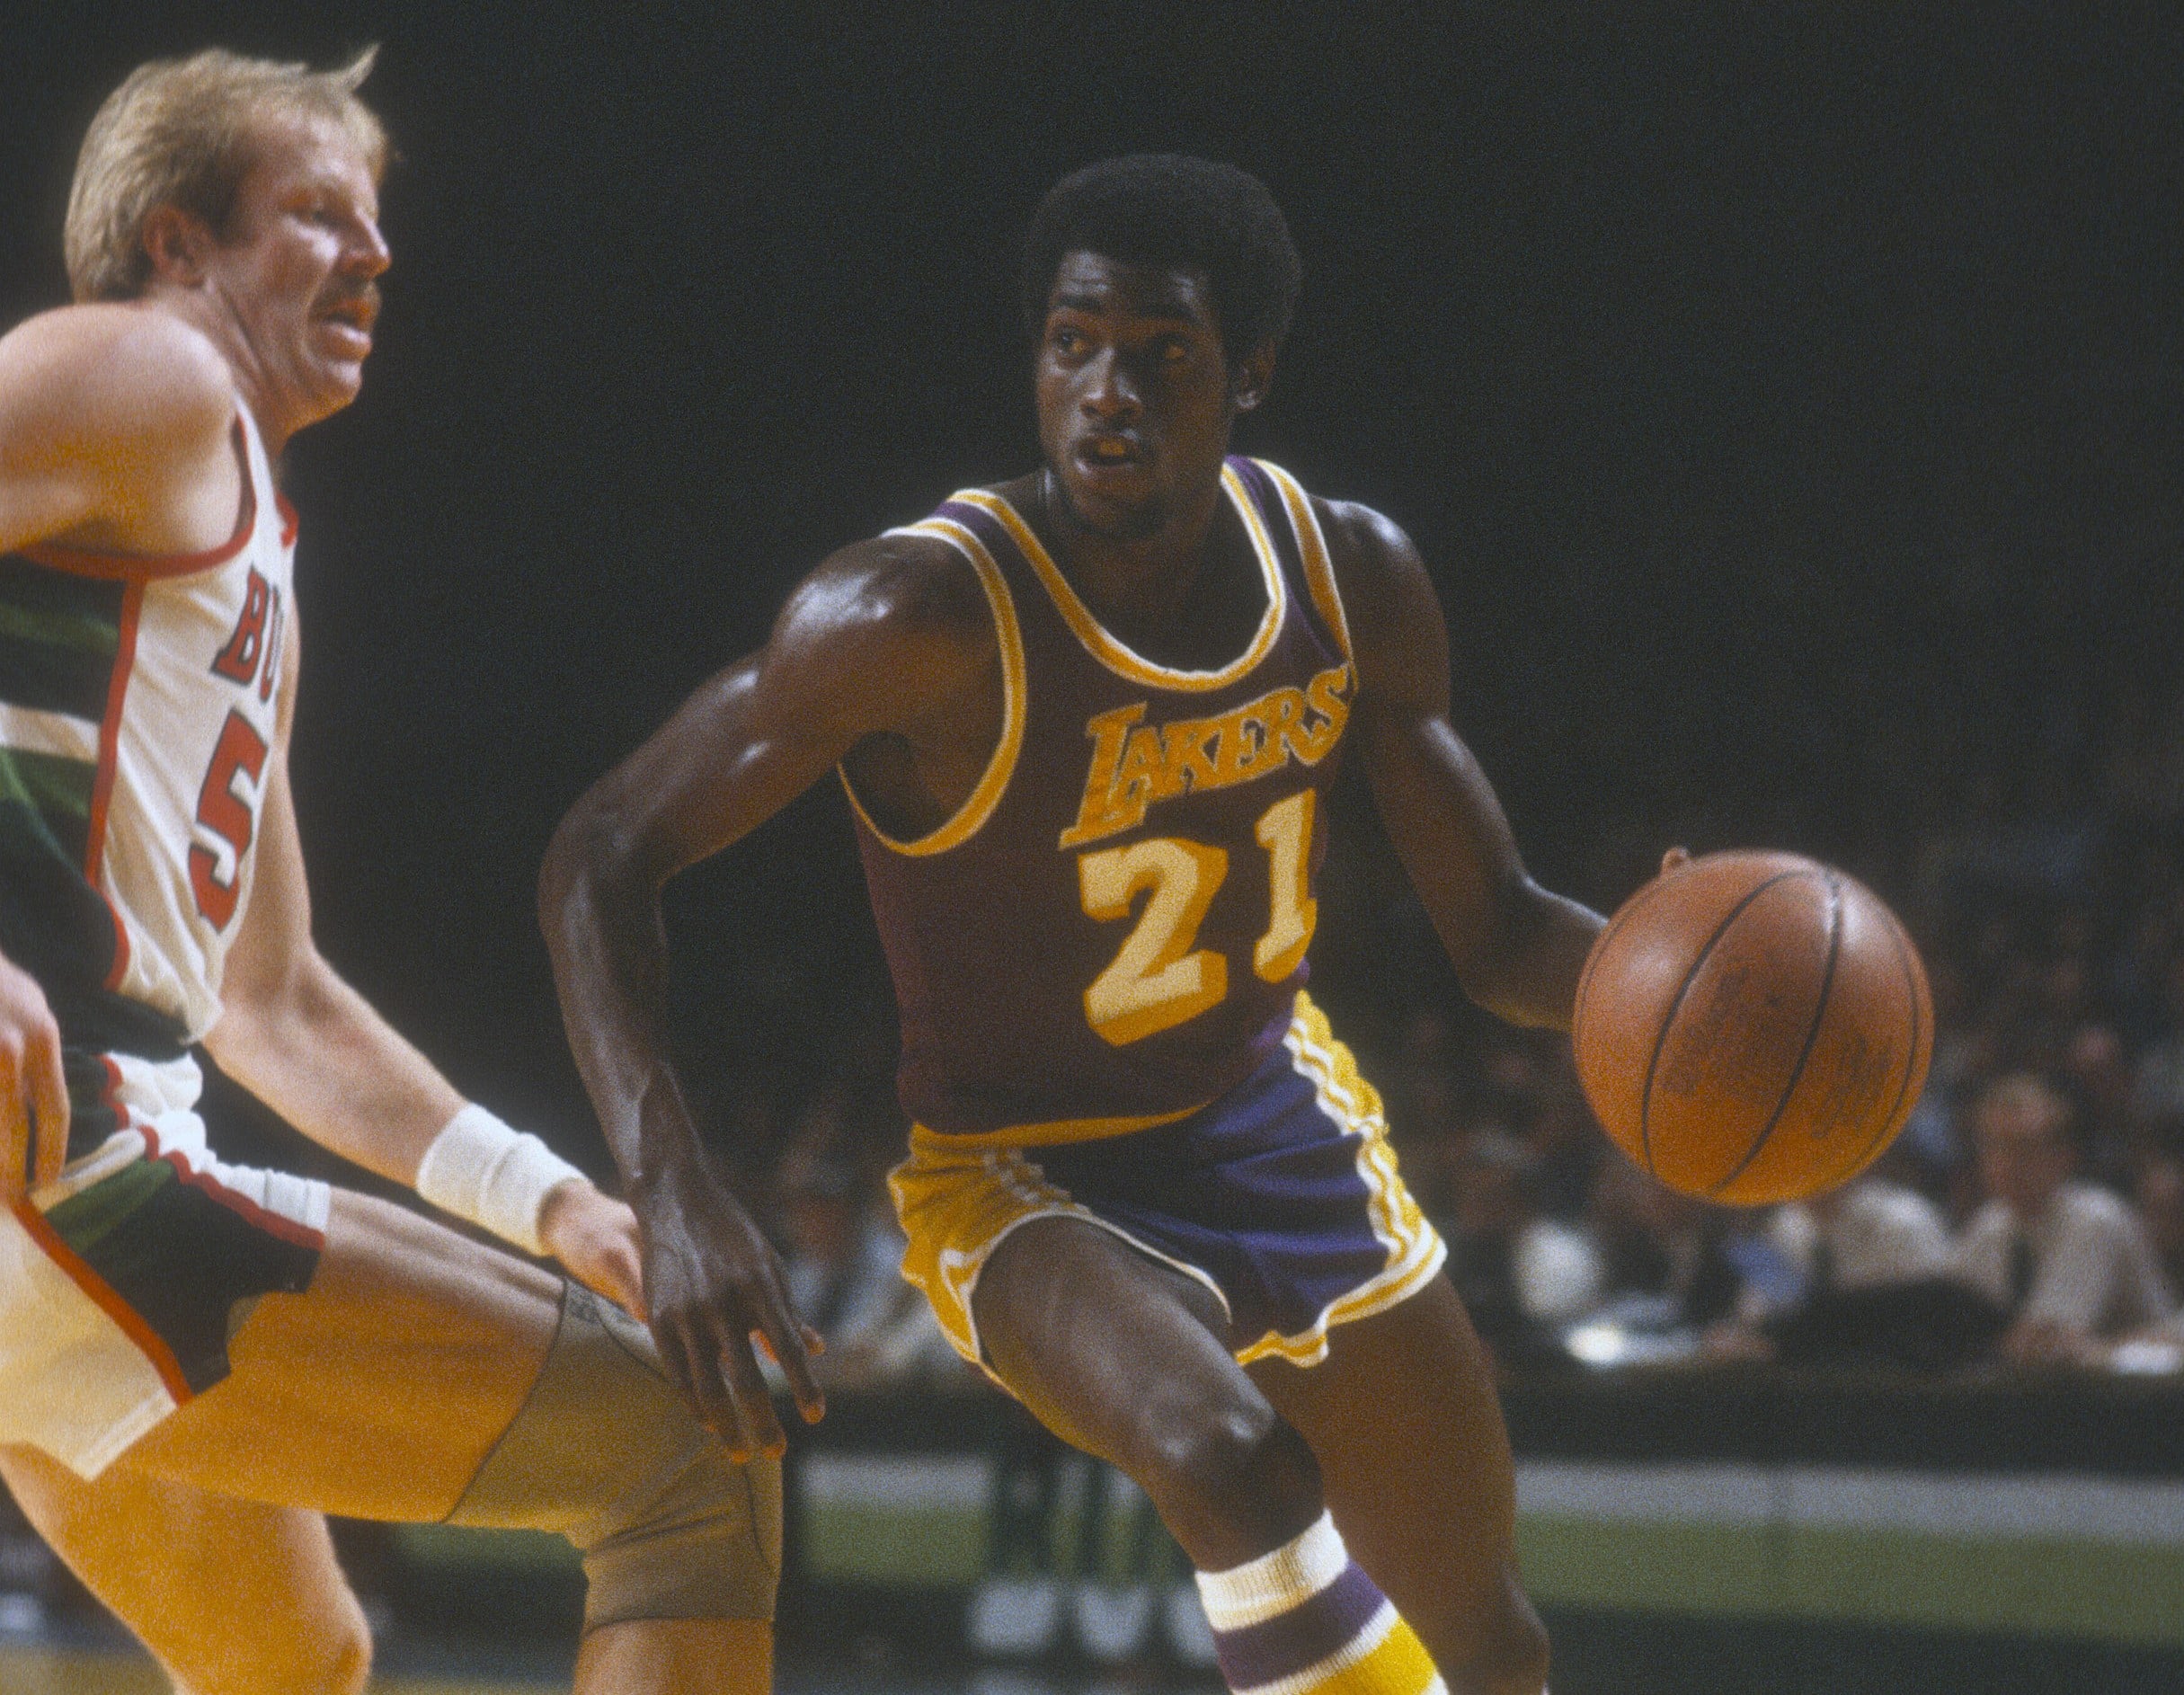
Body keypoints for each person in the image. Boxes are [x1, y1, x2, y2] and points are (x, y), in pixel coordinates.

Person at [546, 155, 1611, 1695]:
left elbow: (1505, 936)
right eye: (1073, 343)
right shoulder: (912, 619)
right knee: (1231, 1462)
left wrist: (1667, 978)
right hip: (1022, 1171)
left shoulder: (1350, 575)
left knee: (1491, 1645)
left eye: (1161, 353)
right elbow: (600, 854)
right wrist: (672, 1182)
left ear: (1246, 373)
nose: (1108, 389)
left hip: (1270, 1112)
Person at [0, 49, 778, 1694]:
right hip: (56, 1169)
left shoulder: (235, 535)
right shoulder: (141, 371)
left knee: (295, 1662)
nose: (376, 254)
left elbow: (278, 1008)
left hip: (80, 1167)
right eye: (317, 214)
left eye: (378, 222)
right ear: (174, 240)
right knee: (684, 1453)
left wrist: (552, 1197)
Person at [1951, 1072, 2174, 1366]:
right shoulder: (1989, 1226)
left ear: (2064, 1156)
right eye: (1995, 1146)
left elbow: (2045, 1341)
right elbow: (1949, 1325)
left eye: (2024, 1146)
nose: (2007, 1163)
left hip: (2147, 1393)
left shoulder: (2096, 1217)